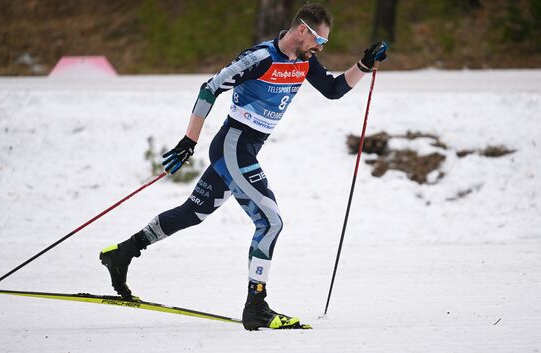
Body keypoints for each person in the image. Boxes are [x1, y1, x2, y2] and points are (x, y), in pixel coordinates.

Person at [99, 3, 388, 330]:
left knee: (192, 213)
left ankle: (123, 252)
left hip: (244, 150)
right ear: (303, 30)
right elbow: (210, 88)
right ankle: (257, 307)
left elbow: (334, 90)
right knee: (271, 222)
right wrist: (188, 140)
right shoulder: (261, 58)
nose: (321, 48)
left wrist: (364, 64)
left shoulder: (305, 62)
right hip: (233, 146)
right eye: (319, 41)